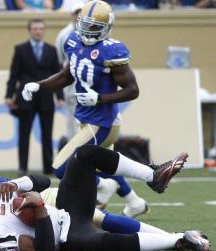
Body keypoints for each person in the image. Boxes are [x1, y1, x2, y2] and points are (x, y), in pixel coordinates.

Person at [0, 130, 183, 250]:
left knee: (101, 219)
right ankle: (177, 239)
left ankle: (153, 181)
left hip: (41, 196)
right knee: (99, 232)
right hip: (40, 225)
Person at [0, 144, 210, 251]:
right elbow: (43, 249)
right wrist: (38, 207)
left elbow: (43, 181)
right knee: (111, 242)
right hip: (66, 237)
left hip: (65, 208)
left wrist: (18, 184)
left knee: (84, 155)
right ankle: (179, 238)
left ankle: (153, 175)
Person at [21, 0, 148, 218]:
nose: (87, 30)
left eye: (94, 26)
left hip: (101, 122)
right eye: (85, 24)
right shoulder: (73, 41)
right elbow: (65, 76)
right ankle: (134, 202)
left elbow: (132, 90)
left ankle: (105, 186)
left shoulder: (112, 50)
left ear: (106, 28)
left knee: (62, 167)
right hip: (87, 118)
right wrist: (39, 85)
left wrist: (100, 99)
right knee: (104, 163)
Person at [6, 19, 63, 176]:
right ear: (30, 30)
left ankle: (48, 167)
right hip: (26, 98)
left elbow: (58, 76)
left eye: (41, 28)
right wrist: (9, 95)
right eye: (35, 28)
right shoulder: (20, 49)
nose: (38, 31)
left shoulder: (52, 50)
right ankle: (22, 167)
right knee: (24, 135)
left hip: (46, 97)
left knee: (47, 134)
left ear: (44, 31)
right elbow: (14, 75)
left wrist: (60, 96)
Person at [54, 1, 83, 142]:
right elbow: (60, 61)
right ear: (72, 15)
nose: (79, 16)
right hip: (71, 88)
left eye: (81, 13)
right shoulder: (63, 35)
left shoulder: (97, 33)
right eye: (76, 13)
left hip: (91, 88)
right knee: (72, 124)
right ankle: (74, 159)